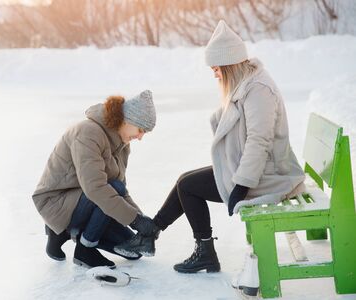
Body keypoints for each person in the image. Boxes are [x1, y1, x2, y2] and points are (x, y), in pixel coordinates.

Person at [114, 20, 306, 273]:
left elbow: (260, 140)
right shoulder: (247, 83)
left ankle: (202, 252)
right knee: (185, 180)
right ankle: (153, 231)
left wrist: (242, 184)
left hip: (268, 176)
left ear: (229, 65)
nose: (215, 75)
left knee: (189, 187)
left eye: (216, 69)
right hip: (258, 169)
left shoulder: (258, 89)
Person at [32, 90, 158, 269]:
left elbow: (121, 190)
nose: (140, 137)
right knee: (112, 188)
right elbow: (96, 188)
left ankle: (63, 232)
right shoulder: (87, 132)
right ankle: (84, 249)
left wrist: (142, 222)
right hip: (56, 202)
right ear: (127, 120)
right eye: (140, 130)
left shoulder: (122, 146)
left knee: (134, 250)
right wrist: (135, 220)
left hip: (88, 203)